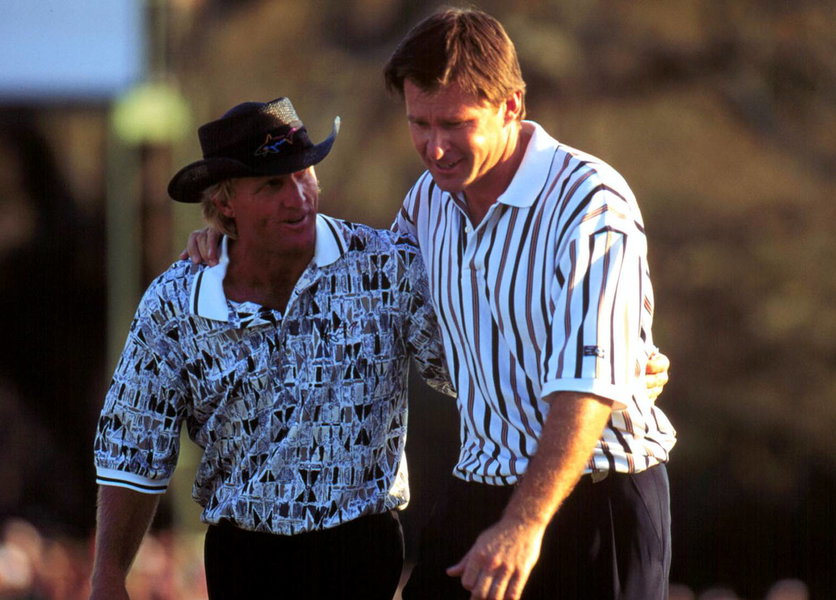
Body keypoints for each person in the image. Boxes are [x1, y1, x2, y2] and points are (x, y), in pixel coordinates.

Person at [89, 97, 455, 600]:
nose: (298, 197)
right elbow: (132, 450)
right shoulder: (174, 304)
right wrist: (108, 576)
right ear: (225, 204)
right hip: (244, 561)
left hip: (362, 551)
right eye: (272, 184)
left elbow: (465, 373)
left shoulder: (385, 267)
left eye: (304, 174)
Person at [383, 8, 677, 600]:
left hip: (597, 499)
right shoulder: (427, 201)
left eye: (455, 124)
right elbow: (361, 282)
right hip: (478, 485)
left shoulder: (591, 201)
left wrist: (524, 524)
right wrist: (225, 243)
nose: (434, 148)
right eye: (420, 124)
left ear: (511, 105)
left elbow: (588, 385)